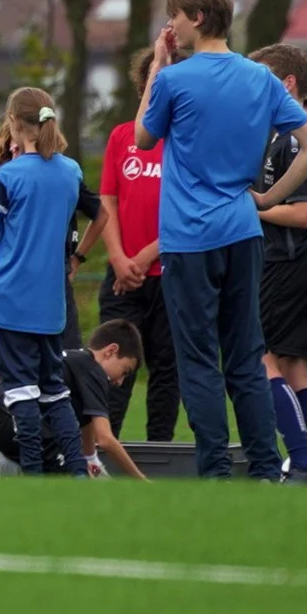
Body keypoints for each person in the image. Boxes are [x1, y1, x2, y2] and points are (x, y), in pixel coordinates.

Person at [134, 0, 307, 481]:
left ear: (195, 18)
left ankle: (216, 470)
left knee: (198, 357)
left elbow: (142, 139)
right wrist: (267, 197)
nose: (170, 26)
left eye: (174, 17)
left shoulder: (175, 78)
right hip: (243, 232)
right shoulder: (260, 78)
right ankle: (264, 468)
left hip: (189, 238)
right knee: (246, 355)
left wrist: (158, 66)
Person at [0, 87, 88, 477]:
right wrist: (77, 255)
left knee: (20, 391)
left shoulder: (7, 176)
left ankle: (32, 471)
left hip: (11, 298)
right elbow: (93, 213)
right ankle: (76, 468)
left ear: (12, 123)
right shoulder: (71, 171)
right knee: (54, 390)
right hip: (51, 302)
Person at [247, 44, 307, 481]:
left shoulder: (293, 137)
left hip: (287, 261)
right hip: (300, 264)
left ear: (286, 85)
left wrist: (252, 208)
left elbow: (301, 214)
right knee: (295, 364)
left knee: (259, 358)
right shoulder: (282, 135)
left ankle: (299, 459)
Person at [98, 48, 178, 441]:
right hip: (121, 276)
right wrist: (118, 258)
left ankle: (159, 450)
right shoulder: (120, 136)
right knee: (113, 362)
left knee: (167, 366)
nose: (159, 84)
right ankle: (100, 447)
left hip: (170, 273)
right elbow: (107, 200)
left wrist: (145, 257)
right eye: (153, 77)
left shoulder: (186, 138)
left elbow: (188, 210)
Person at [0, 318, 148, 478]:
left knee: (74, 464)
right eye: (124, 371)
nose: (120, 381)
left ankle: (5, 457)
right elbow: (105, 439)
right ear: (111, 351)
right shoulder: (94, 372)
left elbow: (86, 426)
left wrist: (91, 460)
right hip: (18, 423)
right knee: (69, 482)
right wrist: (141, 479)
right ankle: (6, 465)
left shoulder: (74, 362)